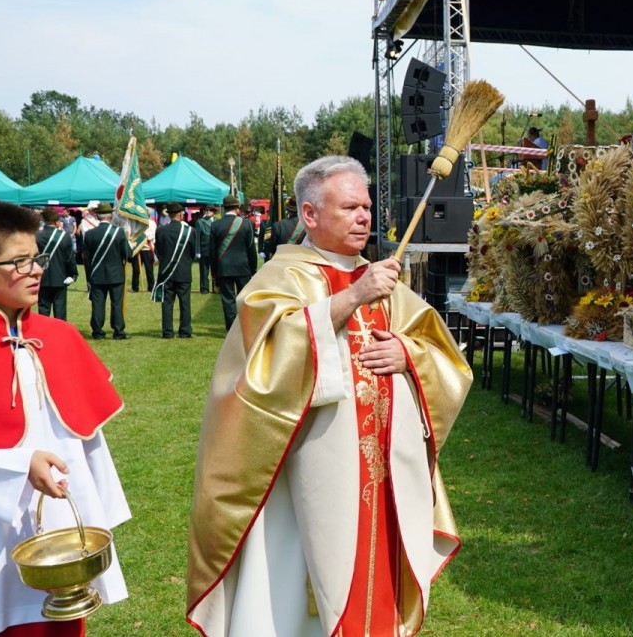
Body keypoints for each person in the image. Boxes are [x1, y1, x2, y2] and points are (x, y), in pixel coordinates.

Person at [186, 156, 472, 636]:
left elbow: (441, 353)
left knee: (376, 571)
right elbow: (263, 367)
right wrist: (351, 298)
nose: (363, 217)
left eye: (366, 207)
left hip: (384, 469)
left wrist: (408, 353)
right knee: (316, 578)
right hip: (313, 472)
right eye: (349, 207)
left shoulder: (379, 276)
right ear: (310, 215)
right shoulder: (281, 279)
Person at [0, 198, 130, 636]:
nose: (36, 270)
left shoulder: (61, 337)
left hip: (59, 532)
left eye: (35, 257)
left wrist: (96, 515)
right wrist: (21, 467)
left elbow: (85, 439)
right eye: (18, 262)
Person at [82, 202, 132, 340]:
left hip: (96, 274)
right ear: (110, 216)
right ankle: (118, 331)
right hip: (116, 274)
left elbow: (86, 257)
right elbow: (128, 254)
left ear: (97, 216)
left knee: (98, 304)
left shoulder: (89, 234)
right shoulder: (119, 232)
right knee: (116, 304)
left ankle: (97, 331)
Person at [208, 195, 256, 330]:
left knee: (228, 300)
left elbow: (212, 252)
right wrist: (253, 269)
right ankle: (246, 327)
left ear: (224, 208)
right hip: (243, 267)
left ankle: (231, 328)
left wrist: (214, 271)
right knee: (244, 299)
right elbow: (251, 249)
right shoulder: (247, 224)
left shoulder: (215, 225)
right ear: (237, 208)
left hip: (224, 268)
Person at [153, 201, 196, 339]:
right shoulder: (190, 231)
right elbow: (193, 253)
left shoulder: (160, 230)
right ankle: (185, 330)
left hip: (166, 272)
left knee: (167, 304)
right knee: (185, 303)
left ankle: (167, 331)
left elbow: (158, 252)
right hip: (183, 271)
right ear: (180, 214)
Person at [35, 208, 79, 320]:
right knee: (60, 309)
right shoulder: (64, 236)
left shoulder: (36, 236)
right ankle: (60, 334)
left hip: (41, 277)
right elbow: (70, 258)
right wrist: (72, 274)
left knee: (43, 309)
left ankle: (42, 333)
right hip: (60, 277)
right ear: (56, 221)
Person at [129, 216, 156, 293]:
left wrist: (141, 237)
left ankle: (151, 287)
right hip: (138, 249)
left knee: (149, 269)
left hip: (147, 249)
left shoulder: (152, 223)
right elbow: (133, 234)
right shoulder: (136, 222)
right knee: (136, 269)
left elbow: (151, 235)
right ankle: (134, 287)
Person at [194, 206, 217, 294]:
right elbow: (197, 237)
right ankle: (204, 289)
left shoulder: (216, 221)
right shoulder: (200, 222)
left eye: (209, 210)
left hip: (215, 250)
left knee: (215, 270)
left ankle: (215, 288)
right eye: (206, 210)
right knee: (204, 270)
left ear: (213, 212)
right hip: (204, 249)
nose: (207, 211)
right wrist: (197, 251)